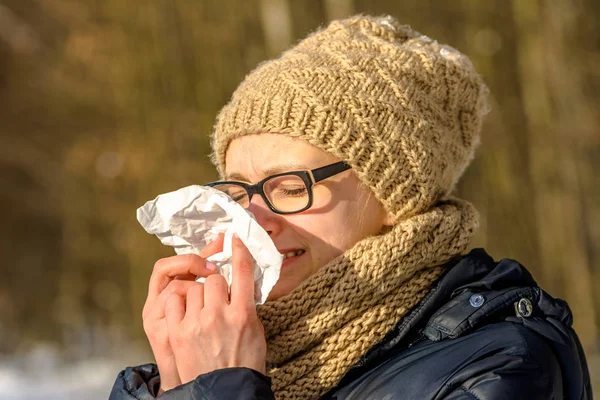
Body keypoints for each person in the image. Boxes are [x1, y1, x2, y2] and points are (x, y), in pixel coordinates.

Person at [109, 15, 591, 399]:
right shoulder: (245, 354)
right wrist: (175, 384)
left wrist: (216, 388)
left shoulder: (499, 368)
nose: (254, 220)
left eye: (291, 186)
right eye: (239, 190)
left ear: (394, 198)